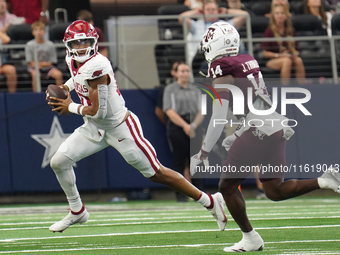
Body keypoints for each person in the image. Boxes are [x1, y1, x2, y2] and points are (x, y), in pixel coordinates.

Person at [46, 20, 227, 233]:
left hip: (120, 127)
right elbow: (77, 78)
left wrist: (70, 106)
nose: (81, 47)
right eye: (76, 43)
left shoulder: (98, 66)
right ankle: (77, 211)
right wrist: (65, 87)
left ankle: (210, 201)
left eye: (86, 41)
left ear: (94, 41)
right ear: (68, 46)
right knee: (58, 162)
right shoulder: (72, 59)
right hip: (93, 127)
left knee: (157, 173)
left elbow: (99, 110)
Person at [190, 21, 340, 252]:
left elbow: (218, 114)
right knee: (274, 190)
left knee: (227, 186)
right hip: (273, 124)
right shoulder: (245, 59)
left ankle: (250, 238)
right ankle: (325, 180)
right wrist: (240, 131)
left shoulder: (222, 66)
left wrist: (204, 151)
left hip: (259, 127)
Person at [163, 61, 205, 202]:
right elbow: (169, 110)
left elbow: (201, 111)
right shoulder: (170, 89)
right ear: (175, 73)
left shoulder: (196, 89)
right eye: (182, 71)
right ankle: (181, 195)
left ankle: (199, 193)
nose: (185, 74)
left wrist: (192, 125)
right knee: (179, 161)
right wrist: (185, 126)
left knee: (196, 160)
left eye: (187, 71)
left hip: (194, 126)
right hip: (178, 126)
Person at [178, 0, 248, 77]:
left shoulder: (226, 24)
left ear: (218, 11)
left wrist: (226, 11)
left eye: (213, 10)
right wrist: (196, 12)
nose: (211, 12)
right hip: (204, 59)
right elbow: (181, 18)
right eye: (208, 10)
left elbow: (245, 15)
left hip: (225, 57)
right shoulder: (197, 25)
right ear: (203, 12)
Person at [261, 4, 306, 86]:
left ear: (286, 16)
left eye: (282, 13)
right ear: (273, 16)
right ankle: (285, 87)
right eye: (277, 13)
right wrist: (280, 55)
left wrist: (293, 54)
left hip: (289, 57)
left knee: (298, 60)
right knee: (286, 61)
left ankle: (302, 85)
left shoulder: (290, 30)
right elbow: (265, 53)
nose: (280, 15)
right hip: (272, 60)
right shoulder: (269, 31)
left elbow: (297, 50)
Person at [25, 21, 63, 92]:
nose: (38, 32)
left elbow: (51, 62)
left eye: (41, 29)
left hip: (48, 68)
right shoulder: (29, 45)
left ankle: (60, 95)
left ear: (45, 32)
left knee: (58, 74)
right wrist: (39, 65)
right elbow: (30, 63)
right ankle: (36, 95)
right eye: (36, 30)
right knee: (35, 75)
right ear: (33, 32)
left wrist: (41, 64)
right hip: (34, 68)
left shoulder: (50, 45)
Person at [155, 60, 181, 125]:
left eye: (186, 71)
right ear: (173, 72)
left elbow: (202, 107)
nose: (183, 74)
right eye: (179, 70)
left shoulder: (194, 88)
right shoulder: (167, 89)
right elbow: (161, 110)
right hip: (175, 126)